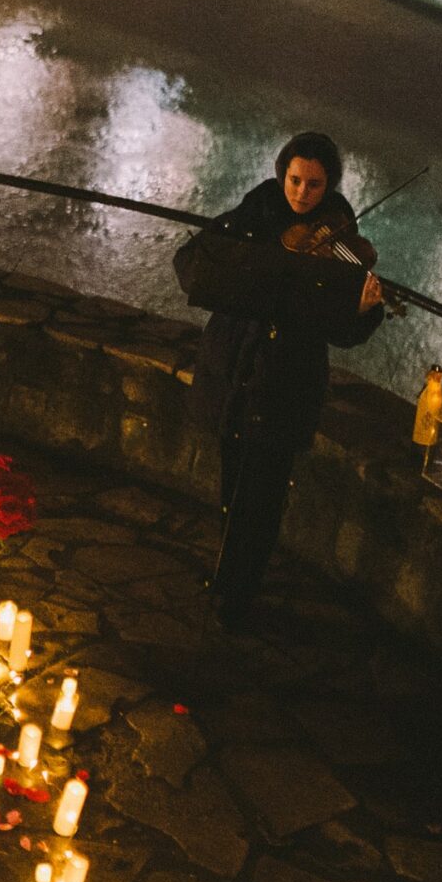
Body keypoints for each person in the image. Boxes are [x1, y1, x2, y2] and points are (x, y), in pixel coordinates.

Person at [173, 132, 387, 628]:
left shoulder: (341, 237)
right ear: (280, 174)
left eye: (314, 184)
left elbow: (346, 333)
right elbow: (201, 263)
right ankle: (228, 575)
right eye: (294, 180)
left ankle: (236, 594)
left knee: (264, 496)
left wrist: (360, 310)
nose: (302, 194)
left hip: (287, 382)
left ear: (329, 184)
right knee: (232, 481)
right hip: (236, 369)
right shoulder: (257, 211)